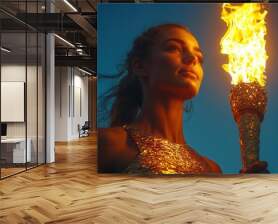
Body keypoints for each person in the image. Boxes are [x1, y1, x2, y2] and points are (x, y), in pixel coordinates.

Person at [98, 23, 268, 174]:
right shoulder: (109, 144)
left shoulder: (212, 169)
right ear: (140, 66)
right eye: (174, 48)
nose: (193, 59)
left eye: (199, 58)